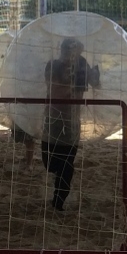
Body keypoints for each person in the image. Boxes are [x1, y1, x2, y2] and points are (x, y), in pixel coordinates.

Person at [42, 37, 100, 211]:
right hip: (52, 119)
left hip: (72, 121)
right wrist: (72, 83)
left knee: (66, 164)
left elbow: (96, 84)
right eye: (69, 51)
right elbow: (54, 90)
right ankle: (59, 186)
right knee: (50, 164)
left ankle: (58, 201)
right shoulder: (52, 65)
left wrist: (93, 76)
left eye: (76, 52)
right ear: (63, 50)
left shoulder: (82, 64)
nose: (72, 55)